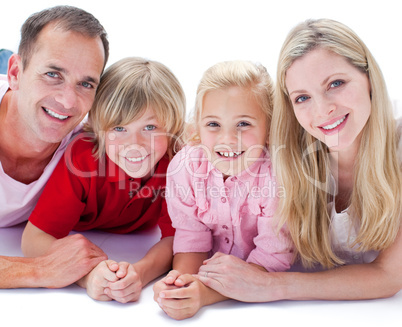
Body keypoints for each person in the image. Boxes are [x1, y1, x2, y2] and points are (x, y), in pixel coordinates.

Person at [197, 18, 402, 302]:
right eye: (302, 98)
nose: (322, 110)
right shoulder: (286, 152)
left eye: (336, 83)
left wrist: (271, 286)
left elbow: (389, 276)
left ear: (369, 79)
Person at [22, 57, 186, 303]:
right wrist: (88, 274)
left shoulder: (176, 162)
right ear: (98, 129)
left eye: (150, 128)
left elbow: (177, 239)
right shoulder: (82, 159)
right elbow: (34, 239)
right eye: (119, 128)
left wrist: (139, 273)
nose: (135, 144)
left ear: (172, 127)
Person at [153, 61, 294, 319]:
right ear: (197, 127)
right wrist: (183, 284)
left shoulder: (278, 177)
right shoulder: (184, 167)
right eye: (213, 124)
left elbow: (272, 259)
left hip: (258, 276)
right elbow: (191, 239)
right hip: (212, 270)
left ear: (270, 129)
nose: (227, 138)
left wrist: (206, 294)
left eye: (243, 124)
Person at [0, 6, 109, 288]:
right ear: (16, 73)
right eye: (53, 74)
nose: (69, 101)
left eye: (85, 83)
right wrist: (38, 269)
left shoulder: (86, 141)